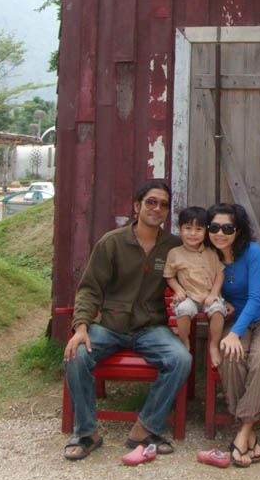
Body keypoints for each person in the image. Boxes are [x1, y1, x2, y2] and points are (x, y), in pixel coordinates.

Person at [62, 180, 192, 461]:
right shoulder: (112, 242)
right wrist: (81, 327)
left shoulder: (173, 247)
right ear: (137, 206)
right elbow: (89, 289)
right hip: (109, 326)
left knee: (181, 359)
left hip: (151, 328)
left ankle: (145, 428)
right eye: (151, 202)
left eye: (164, 205)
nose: (157, 208)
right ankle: (86, 432)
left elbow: (197, 272)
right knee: (76, 355)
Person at [203, 202, 260, 468]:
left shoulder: (252, 252)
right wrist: (223, 305)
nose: (220, 233)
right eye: (214, 227)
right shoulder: (209, 257)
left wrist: (234, 334)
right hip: (235, 320)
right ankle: (249, 433)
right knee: (231, 358)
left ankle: (242, 433)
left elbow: (255, 298)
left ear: (238, 231)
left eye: (227, 228)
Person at [164, 205, 228, 363]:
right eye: (188, 228)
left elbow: (220, 273)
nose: (193, 234)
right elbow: (169, 276)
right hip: (189, 296)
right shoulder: (175, 253)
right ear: (180, 229)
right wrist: (178, 290)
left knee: (218, 311)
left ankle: (214, 345)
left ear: (206, 231)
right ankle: (184, 341)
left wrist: (214, 293)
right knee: (183, 310)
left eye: (199, 229)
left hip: (208, 296)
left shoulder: (211, 252)